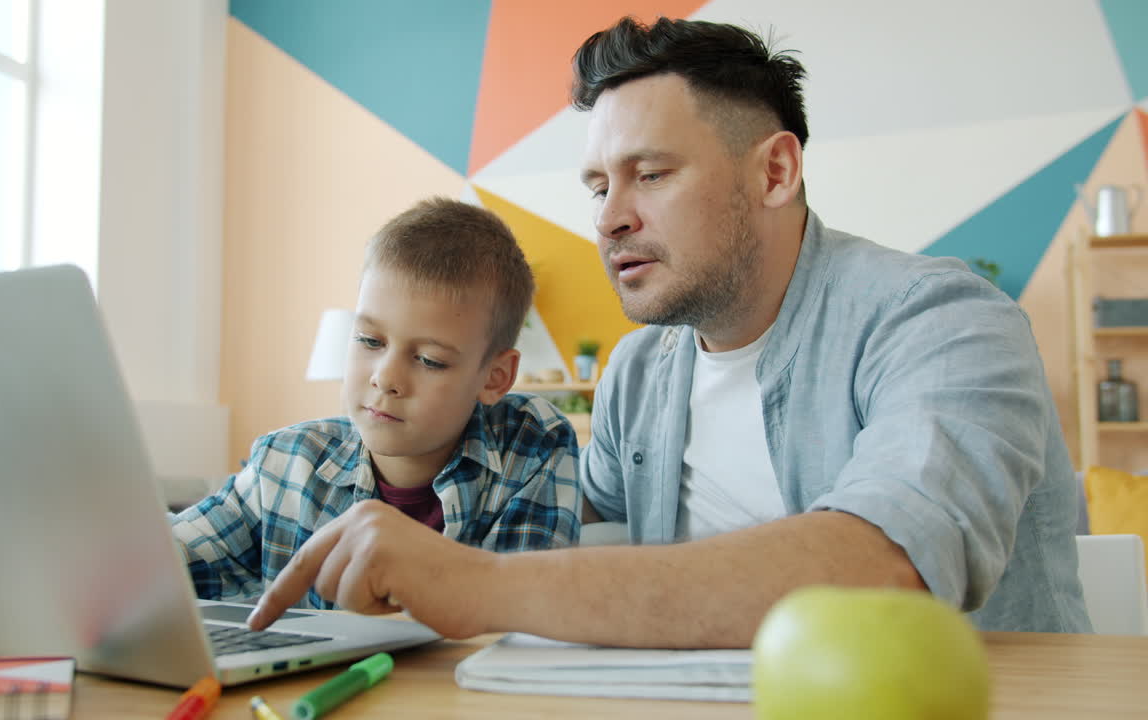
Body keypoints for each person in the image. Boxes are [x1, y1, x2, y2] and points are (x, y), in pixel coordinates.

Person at [247, 17, 1091, 643]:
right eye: (596, 186)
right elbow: (565, 530)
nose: (609, 220)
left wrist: (483, 584)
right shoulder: (639, 371)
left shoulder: (946, 321)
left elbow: (886, 570)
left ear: (775, 171)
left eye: (649, 174)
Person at [173, 197, 581, 609]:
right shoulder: (283, 466)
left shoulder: (530, 446)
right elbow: (164, 562)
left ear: (495, 377)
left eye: (429, 360)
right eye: (370, 340)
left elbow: (525, 610)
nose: (385, 377)